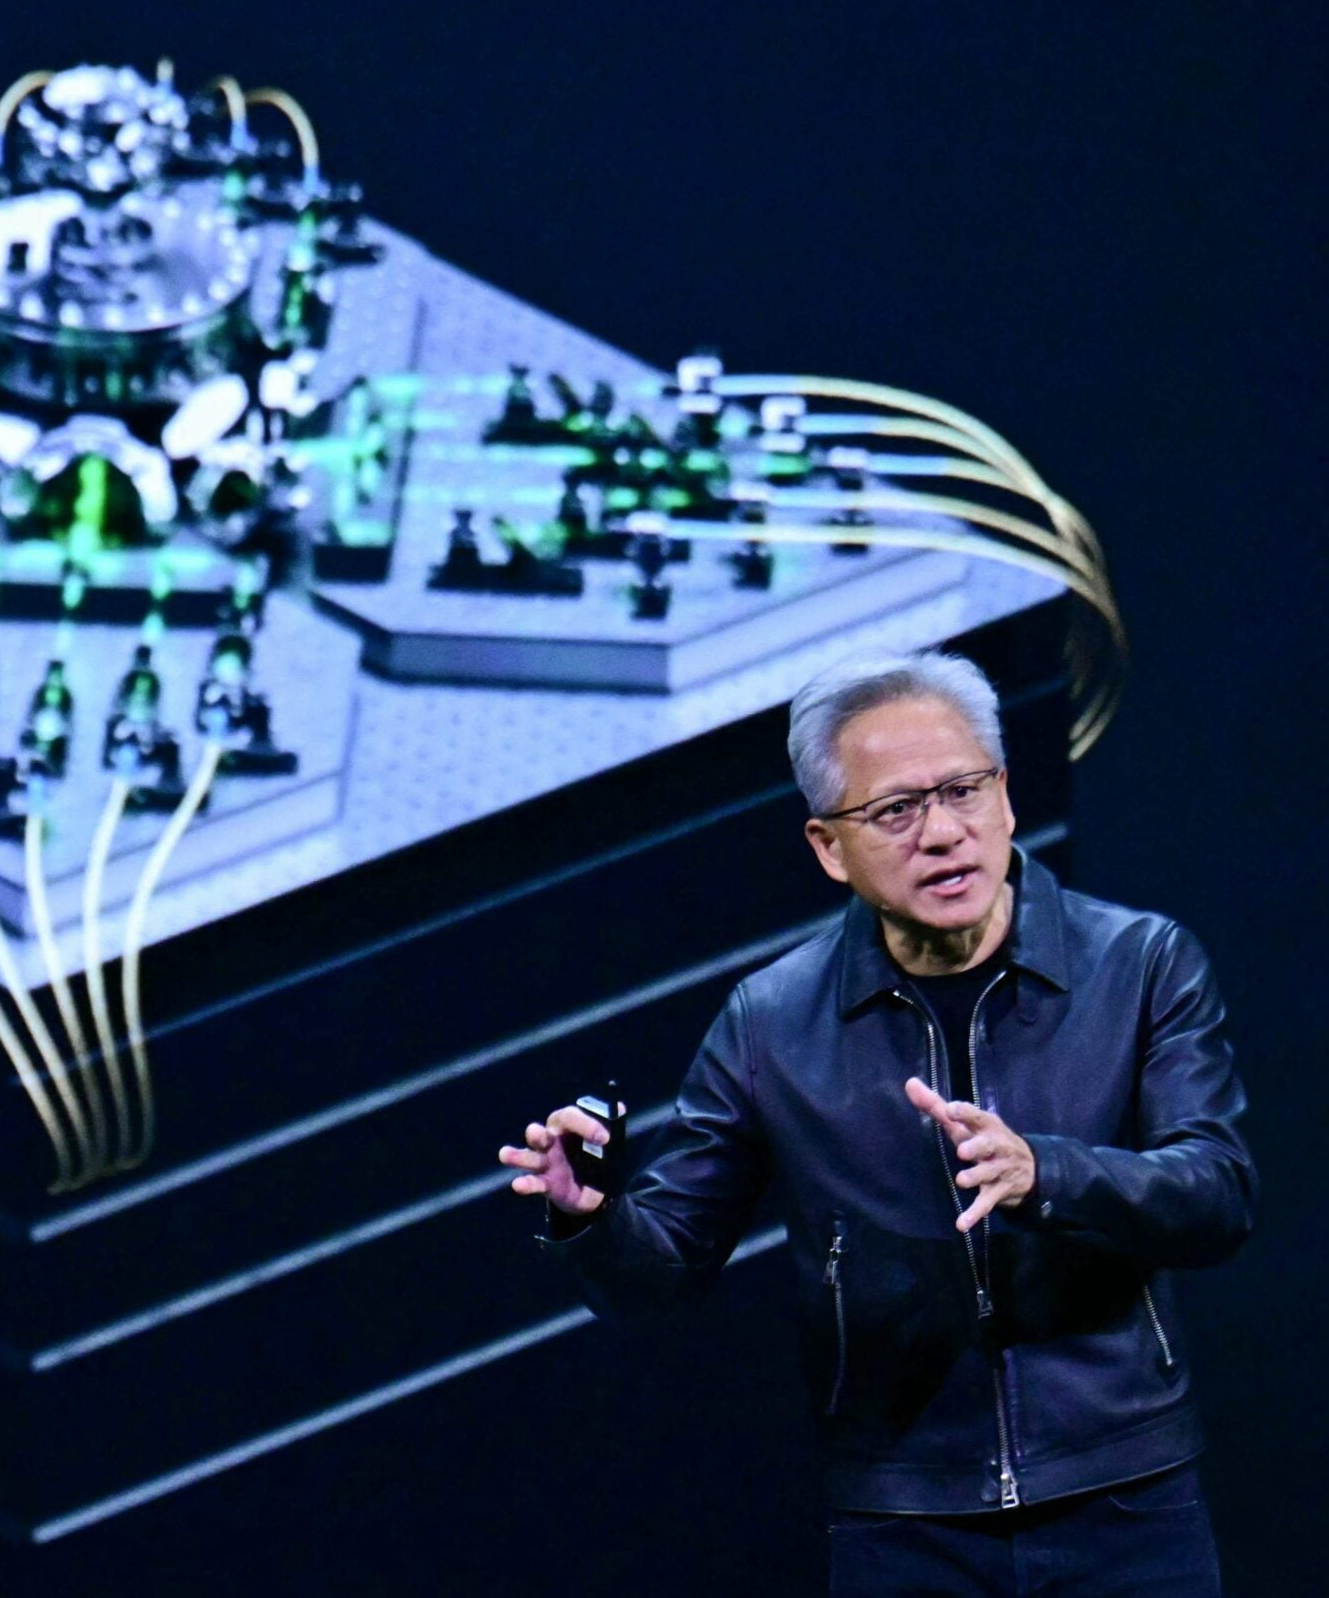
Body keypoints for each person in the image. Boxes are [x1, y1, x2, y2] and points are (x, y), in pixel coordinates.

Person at [502, 650, 1253, 1595]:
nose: (942, 832)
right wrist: (589, 1216)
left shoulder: (1139, 964)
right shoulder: (772, 1023)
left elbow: (1217, 1194)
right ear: (828, 846)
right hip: (904, 1519)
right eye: (896, 809)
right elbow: (662, 1266)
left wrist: (1046, 1173)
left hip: (1125, 1497)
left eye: (963, 790)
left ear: (1006, 795)